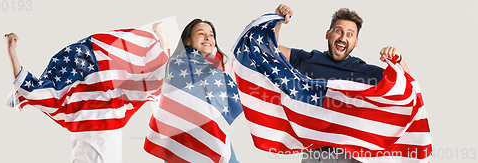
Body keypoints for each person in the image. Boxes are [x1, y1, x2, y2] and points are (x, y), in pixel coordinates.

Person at [4, 22, 169, 163]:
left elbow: (29, 89)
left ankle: (161, 43)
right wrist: (11, 51)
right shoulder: (111, 105)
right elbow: (30, 90)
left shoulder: (113, 104)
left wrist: (11, 52)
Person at [273, 4, 411, 163]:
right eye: (338, 31)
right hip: (316, 152)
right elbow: (272, 52)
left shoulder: (365, 71)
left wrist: (398, 59)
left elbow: (406, 85)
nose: (343, 38)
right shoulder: (307, 59)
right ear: (328, 34)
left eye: (350, 34)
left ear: (356, 42)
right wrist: (277, 20)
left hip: (353, 153)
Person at [144, 19, 241, 163]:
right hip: (181, 139)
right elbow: (163, 67)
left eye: (211, 35)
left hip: (213, 135)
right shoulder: (178, 64)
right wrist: (163, 37)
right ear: (188, 41)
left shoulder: (217, 67)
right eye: (201, 33)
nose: (208, 37)